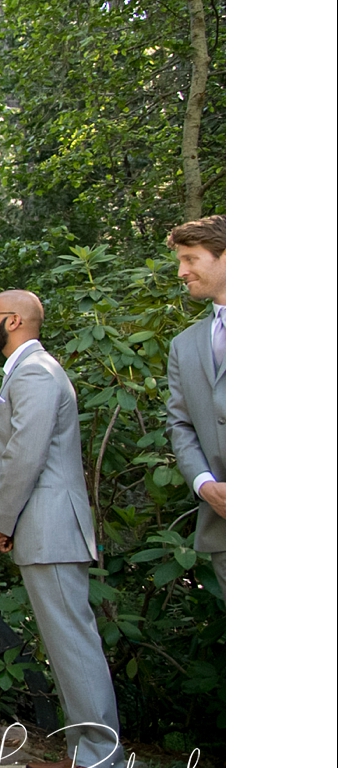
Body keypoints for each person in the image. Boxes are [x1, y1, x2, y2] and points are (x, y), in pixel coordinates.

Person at [0, 290, 128, 768]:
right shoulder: (24, 371)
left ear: (15, 321)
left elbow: (26, 454)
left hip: (50, 526)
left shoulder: (38, 372)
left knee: (73, 642)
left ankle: (103, 762)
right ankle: (83, 752)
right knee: (64, 644)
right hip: (42, 527)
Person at [165, 215, 225, 591]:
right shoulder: (183, 344)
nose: (181, 272)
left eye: (191, 259)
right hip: (224, 528)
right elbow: (180, 425)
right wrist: (205, 486)